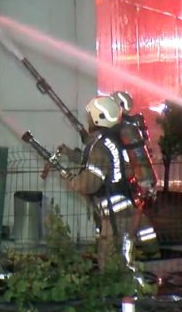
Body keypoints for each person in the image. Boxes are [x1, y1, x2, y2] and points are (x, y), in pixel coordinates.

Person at [63, 96, 156, 280]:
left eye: (90, 116)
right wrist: (70, 154)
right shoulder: (114, 140)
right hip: (125, 207)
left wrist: (70, 178)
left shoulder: (102, 146)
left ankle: (125, 298)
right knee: (120, 256)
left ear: (99, 117)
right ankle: (125, 294)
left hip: (116, 214)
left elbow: (89, 183)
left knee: (112, 260)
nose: (88, 119)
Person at [110, 90, 159, 257]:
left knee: (129, 219)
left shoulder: (124, 130)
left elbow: (132, 157)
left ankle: (126, 254)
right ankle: (151, 249)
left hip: (130, 180)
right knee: (138, 217)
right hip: (137, 180)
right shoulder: (133, 126)